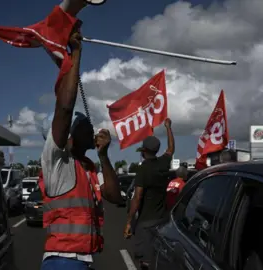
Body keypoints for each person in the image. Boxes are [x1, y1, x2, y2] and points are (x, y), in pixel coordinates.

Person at [39, 22, 122, 270]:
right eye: (86, 129)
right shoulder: (57, 161)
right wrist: (76, 54)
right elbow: (64, 108)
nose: (93, 132)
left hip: (82, 261)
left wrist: (104, 157)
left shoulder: (86, 166)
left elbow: (115, 197)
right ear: (69, 137)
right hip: (63, 262)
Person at [124, 118, 175, 270]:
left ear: (144, 151)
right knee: (157, 258)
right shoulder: (163, 163)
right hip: (161, 220)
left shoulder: (143, 170)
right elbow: (171, 148)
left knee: (145, 262)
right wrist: (168, 127)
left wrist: (129, 220)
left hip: (145, 223)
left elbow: (137, 197)